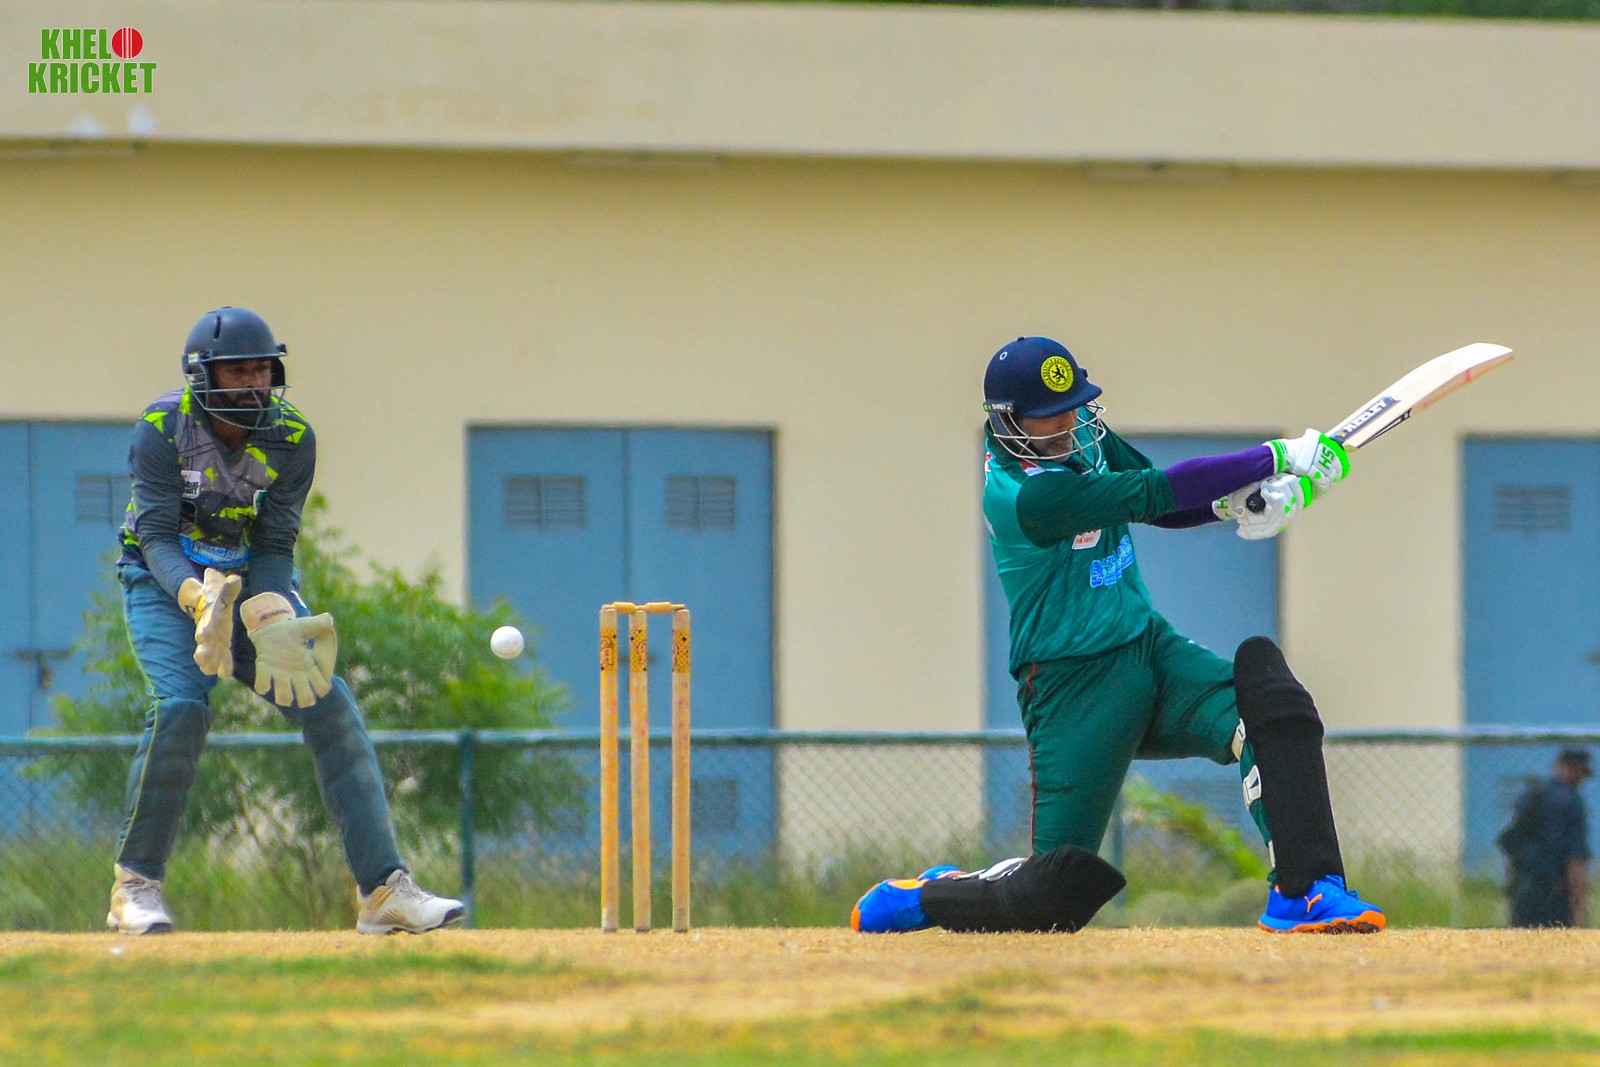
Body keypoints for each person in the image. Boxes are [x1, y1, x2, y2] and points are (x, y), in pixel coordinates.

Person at [853, 335, 1384, 935]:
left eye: (1073, 406)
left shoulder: (1084, 436)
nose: (1066, 424)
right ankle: (931, 896)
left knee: (1273, 708)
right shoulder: (1026, 494)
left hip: (1149, 649)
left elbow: (1160, 503)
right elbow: (1155, 492)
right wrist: (1278, 455)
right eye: (1047, 415)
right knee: (1054, 894)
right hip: (1071, 684)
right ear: (1006, 421)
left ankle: (1304, 891)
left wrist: (1236, 505)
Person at [106, 305, 464, 936]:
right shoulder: (162, 427)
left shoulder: (293, 438)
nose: (253, 385)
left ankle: (384, 891)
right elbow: (156, 536)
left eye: (262, 371)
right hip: (164, 583)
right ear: (202, 377)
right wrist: (197, 601)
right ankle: (135, 887)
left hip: (248, 584)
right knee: (182, 708)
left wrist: (271, 613)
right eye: (237, 372)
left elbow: (274, 544)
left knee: (329, 701)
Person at [1498, 748, 1592, 928]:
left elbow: (1509, 841)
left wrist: (1512, 883)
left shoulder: (1531, 795)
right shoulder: (1573, 802)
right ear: (1575, 770)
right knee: (1558, 944)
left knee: (1521, 942)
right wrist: (1579, 907)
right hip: (1557, 895)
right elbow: (1576, 859)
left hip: (1525, 891)